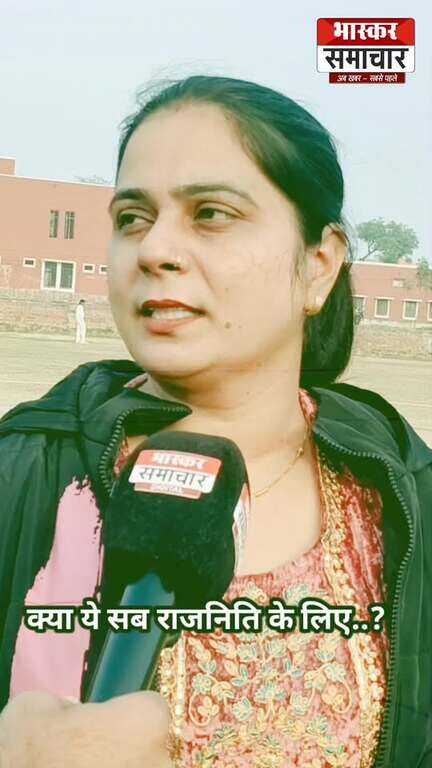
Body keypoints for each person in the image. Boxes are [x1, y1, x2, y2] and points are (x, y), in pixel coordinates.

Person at [0, 75, 431, 768]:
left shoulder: (405, 493)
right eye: (132, 218)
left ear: (319, 265)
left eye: (211, 213)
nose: (153, 250)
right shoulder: (22, 476)